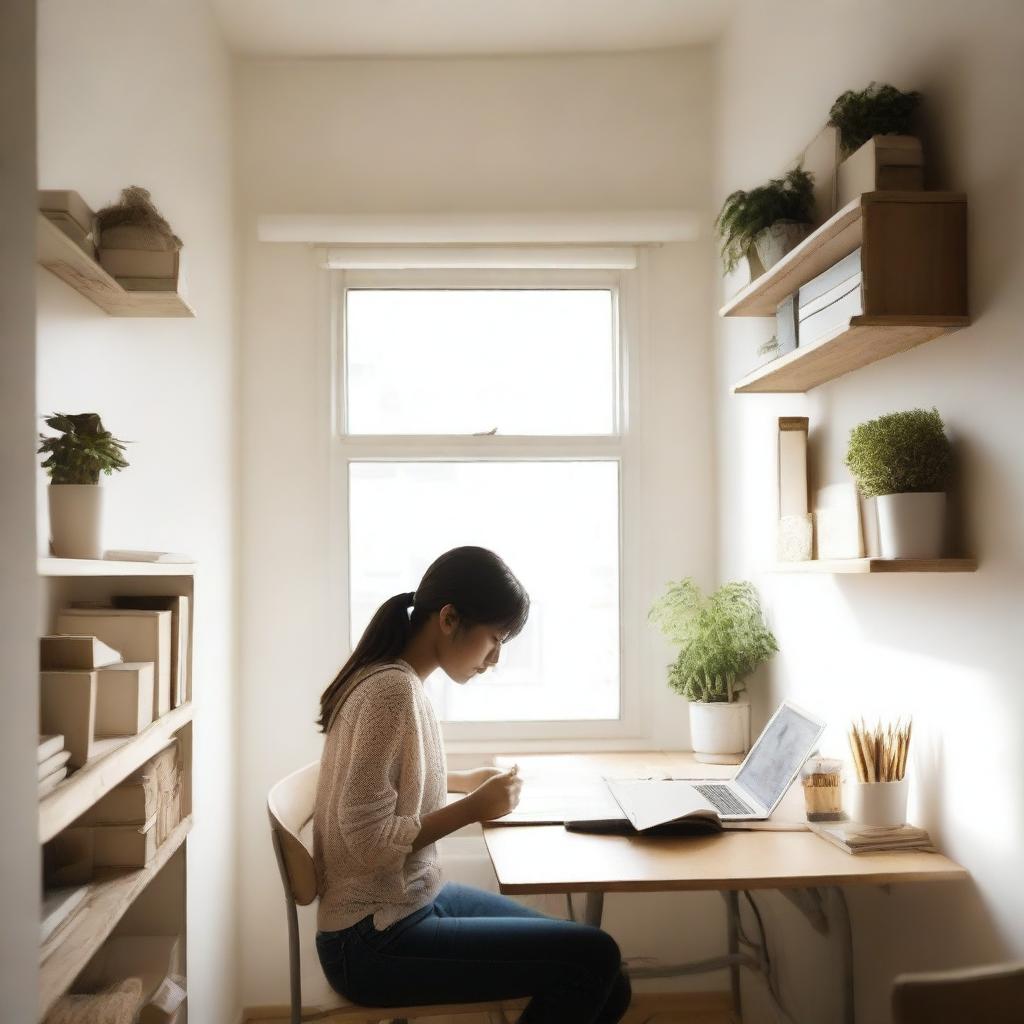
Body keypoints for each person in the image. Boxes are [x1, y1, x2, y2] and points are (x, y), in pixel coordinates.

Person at [313, 545, 631, 1023]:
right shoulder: (390, 691)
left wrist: (462, 782)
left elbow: (390, 788)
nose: (496, 658)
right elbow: (365, 841)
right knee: (595, 956)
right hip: (370, 938)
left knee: (609, 971)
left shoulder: (397, 681)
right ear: (449, 618)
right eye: (494, 638)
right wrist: (474, 808)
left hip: (408, 901)